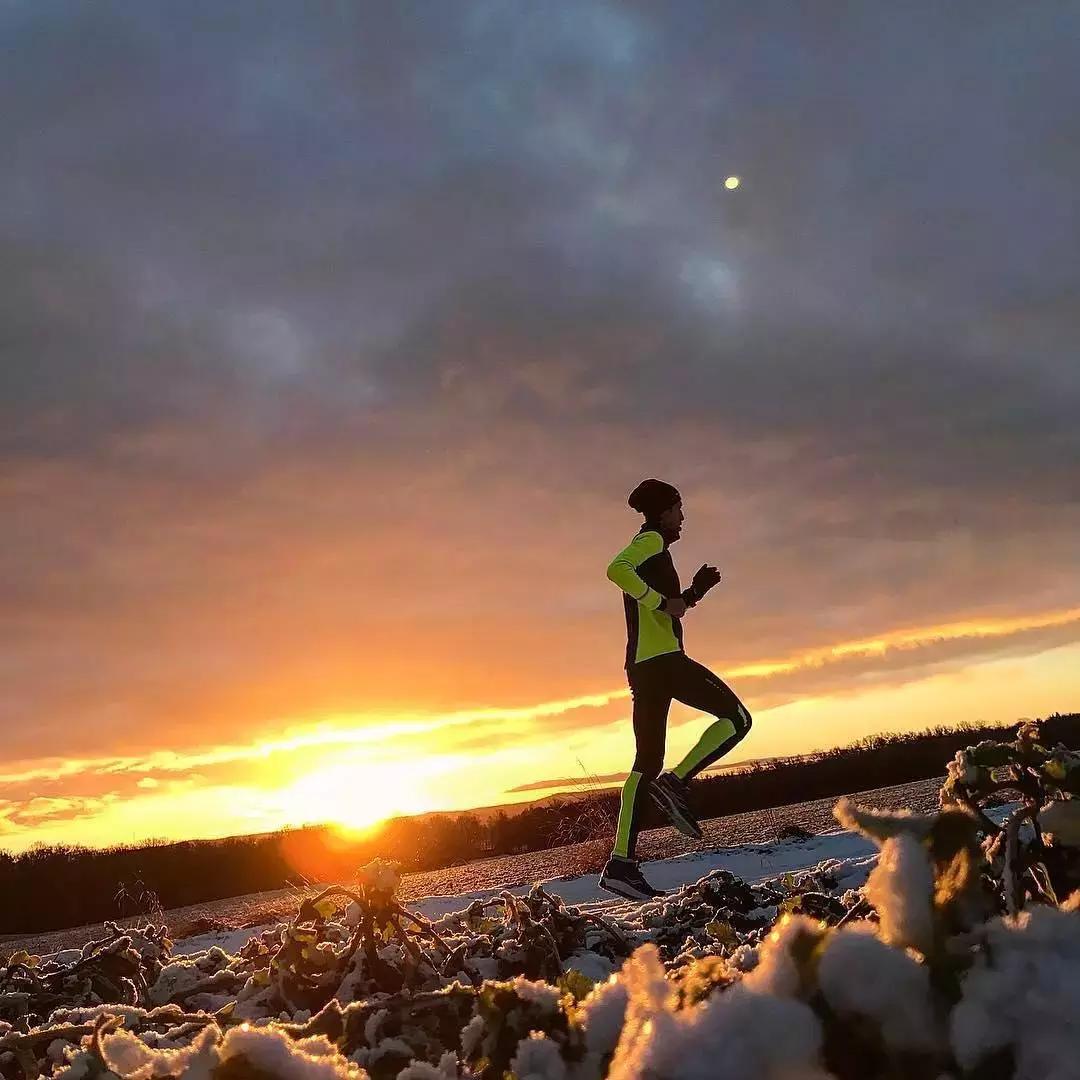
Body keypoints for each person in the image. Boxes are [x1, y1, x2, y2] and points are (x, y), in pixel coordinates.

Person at [598, 478, 753, 900]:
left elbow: (672, 609)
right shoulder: (649, 542)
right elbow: (616, 570)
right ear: (662, 511)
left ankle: (621, 864)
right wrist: (661, 601)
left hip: (644, 666)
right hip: (663, 663)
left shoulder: (657, 553)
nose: (683, 517)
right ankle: (678, 782)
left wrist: (692, 594)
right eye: (678, 508)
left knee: (644, 763)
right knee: (737, 719)